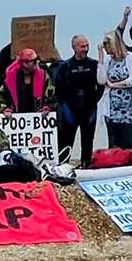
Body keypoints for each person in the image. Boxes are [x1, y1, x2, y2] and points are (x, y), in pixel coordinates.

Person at [55, 35, 102, 165]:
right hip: (70, 109)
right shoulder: (66, 66)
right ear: (74, 47)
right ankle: (63, 165)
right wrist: (66, 104)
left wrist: (94, 100)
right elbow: (58, 88)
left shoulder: (94, 64)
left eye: (87, 45)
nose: (86, 49)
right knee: (66, 140)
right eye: (82, 46)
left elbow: (101, 85)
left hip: (89, 108)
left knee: (88, 139)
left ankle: (86, 164)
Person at [97, 33, 132, 154]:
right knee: (114, 142)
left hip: (128, 108)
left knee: (129, 142)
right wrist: (100, 58)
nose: (106, 50)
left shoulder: (131, 57)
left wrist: (114, 85)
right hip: (112, 108)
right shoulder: (107, 60)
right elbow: (101, 80)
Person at [0, 48, 57, 115]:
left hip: (38, 119)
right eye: (32, 61)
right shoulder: (10, 79)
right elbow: (0, 99)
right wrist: (5, 109)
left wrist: (47, 107)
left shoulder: (44, 77)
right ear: (24, 63)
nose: (36, 63)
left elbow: (53, 97)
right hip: (16, 118)